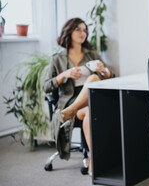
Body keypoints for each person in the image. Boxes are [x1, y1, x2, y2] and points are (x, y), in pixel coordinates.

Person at [43, 18, 112, 175]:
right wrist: (64, 74)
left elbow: (111, 76)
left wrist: (104, 71)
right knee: (90, 110)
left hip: (90, 98)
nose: (83, 33)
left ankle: (70, 112)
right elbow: (46, 86)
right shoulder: (57, 58)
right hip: (69, 99)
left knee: (94, 80)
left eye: (85, 30)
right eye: (78, 30)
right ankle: (94, 161)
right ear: (69, 32)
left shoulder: (92, 54)